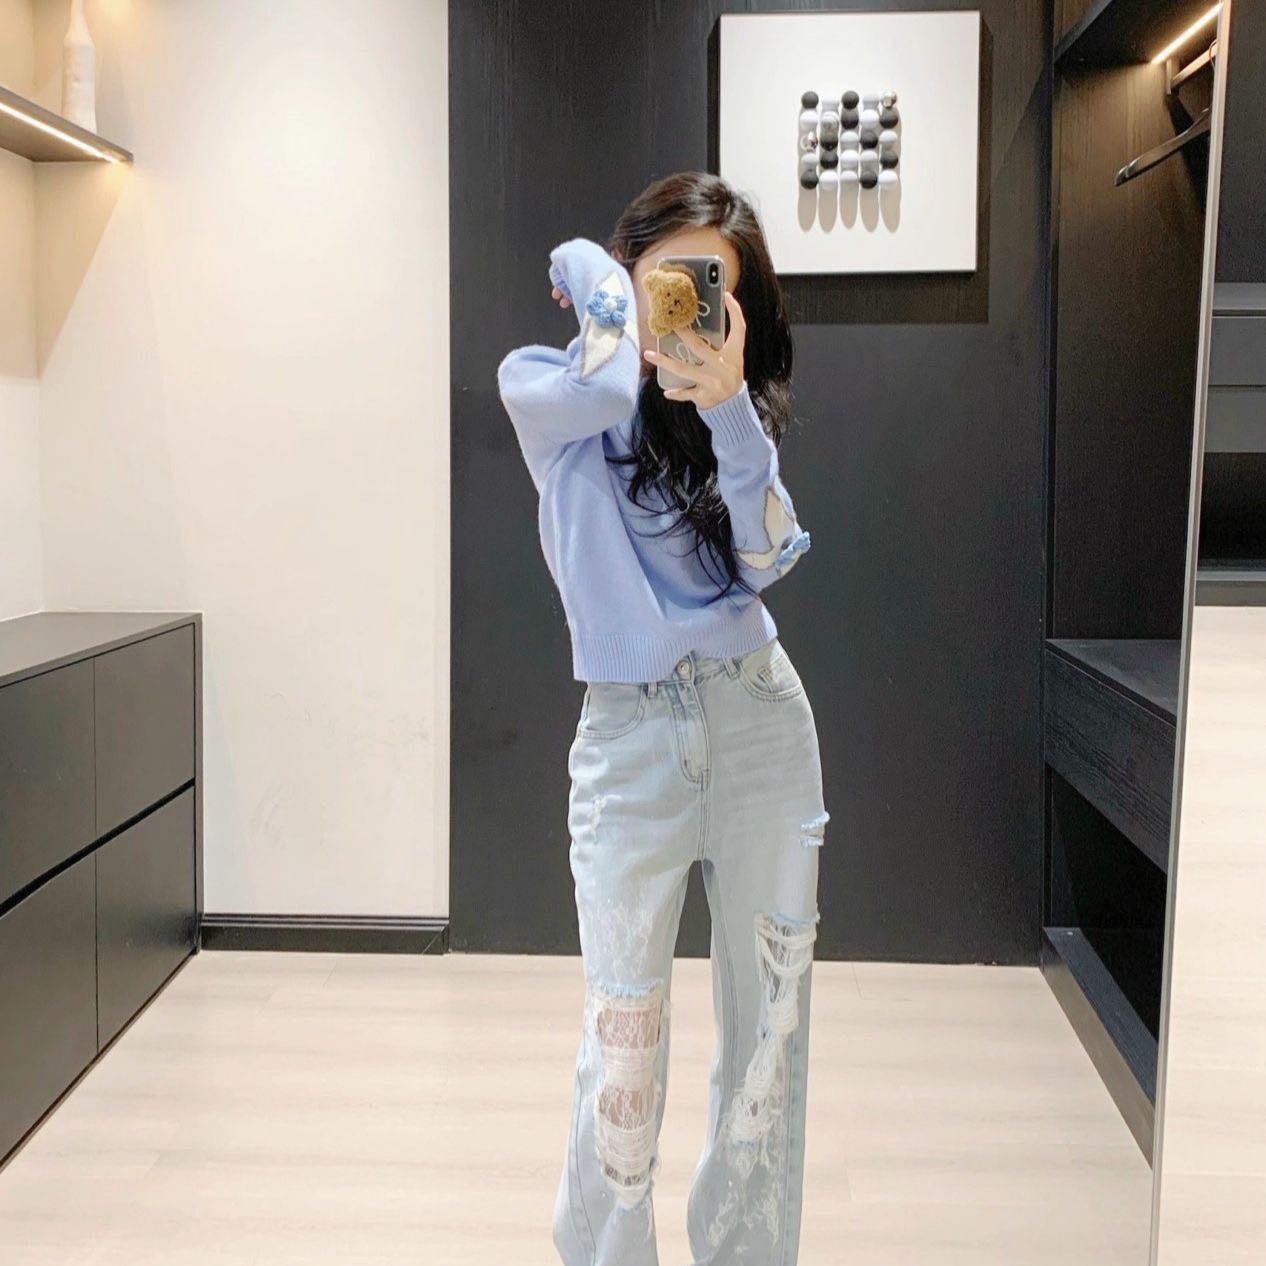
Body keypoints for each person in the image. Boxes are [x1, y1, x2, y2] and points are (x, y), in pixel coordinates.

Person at [497, 171, 828, 1266]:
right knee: (623, 1049)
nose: (683, 305)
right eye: (667, 278)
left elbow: (768, 558)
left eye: (707, 291)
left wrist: (725, 402)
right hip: (629, 742)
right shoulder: (548, 390)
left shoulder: (730, 419)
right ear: (627, 269)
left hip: (759, 724)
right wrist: (602, 290)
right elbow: (598, 387)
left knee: (769, 1040)